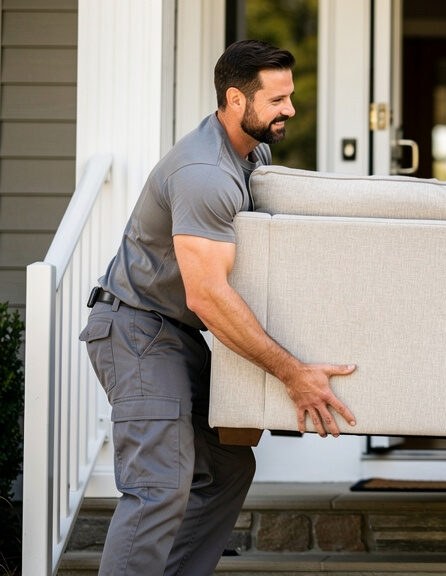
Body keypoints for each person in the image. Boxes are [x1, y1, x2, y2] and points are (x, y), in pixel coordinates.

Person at [79, 39, 358, 576]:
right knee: (159, 485)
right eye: (277, 100)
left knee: (227, 466)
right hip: (136, 331)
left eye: (290, 96)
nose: (290, 109)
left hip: (177, 334)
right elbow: (206, 294)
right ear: (235, 99)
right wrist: (292, 373)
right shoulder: (204, 172)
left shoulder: (253, 154)